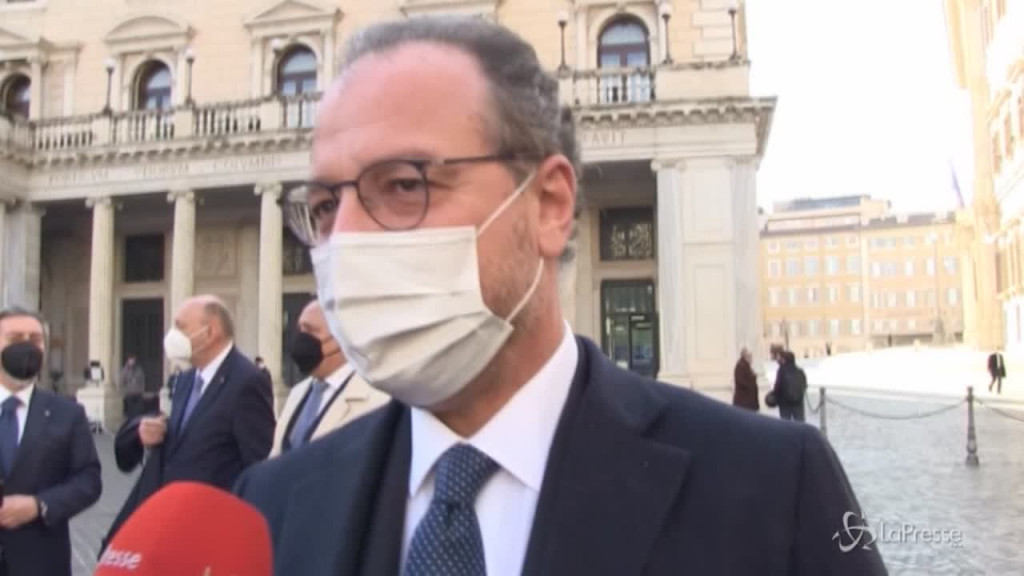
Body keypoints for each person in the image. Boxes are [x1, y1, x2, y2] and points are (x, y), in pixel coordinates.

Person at [234, 16, 884, 575]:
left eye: (405, 184)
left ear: (548, 205)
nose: (345, 239)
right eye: (324, 207)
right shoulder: (269, 508)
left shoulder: (773, 489)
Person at [103, 295, 275, 551]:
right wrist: (151, 433)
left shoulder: (247, 381)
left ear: (210, 332)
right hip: (170, 520)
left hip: (211, 527)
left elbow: (258, 463)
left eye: (181, 327)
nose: (172, 335)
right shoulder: (185, 380)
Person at [0, 307, 101, 576]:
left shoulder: (68, 413)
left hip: (40, 561)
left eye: (35, 339)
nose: (27, 346)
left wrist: (39, 505)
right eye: (15, 338)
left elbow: (89, 480)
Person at [271, 300, 390, 456]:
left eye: (310, 330)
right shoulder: (297, 393)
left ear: (340, 338)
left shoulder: (378, 398)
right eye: (300, 329)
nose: (301, 338)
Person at [772, 351, 807, 422]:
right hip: (798, 402)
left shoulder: (781, 371)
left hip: (785, 402)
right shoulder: (800, 371)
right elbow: (804, 385)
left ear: (784, 359)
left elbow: (778, 386)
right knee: (800, 422)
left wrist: (774, 395)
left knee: (786, 423)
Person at [119, 355, 145, 421]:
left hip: (138, 393)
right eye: (131, 360)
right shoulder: (124, 370)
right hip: (129, 394)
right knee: (130, 412)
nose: (132, 361)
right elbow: (121, 382)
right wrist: (125, 390)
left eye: (133, 360)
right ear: (128, 361)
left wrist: (142, 390)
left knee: (139, 411)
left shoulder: (139, 369)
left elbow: (142, 380)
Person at [732, 347, 759, 412]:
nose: (751, 359)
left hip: (748, 400)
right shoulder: (741, 366)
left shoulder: (746, 365)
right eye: (750, 356)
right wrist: (752, 380)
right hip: (744, 401)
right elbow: (740, 381)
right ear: (745, 357)